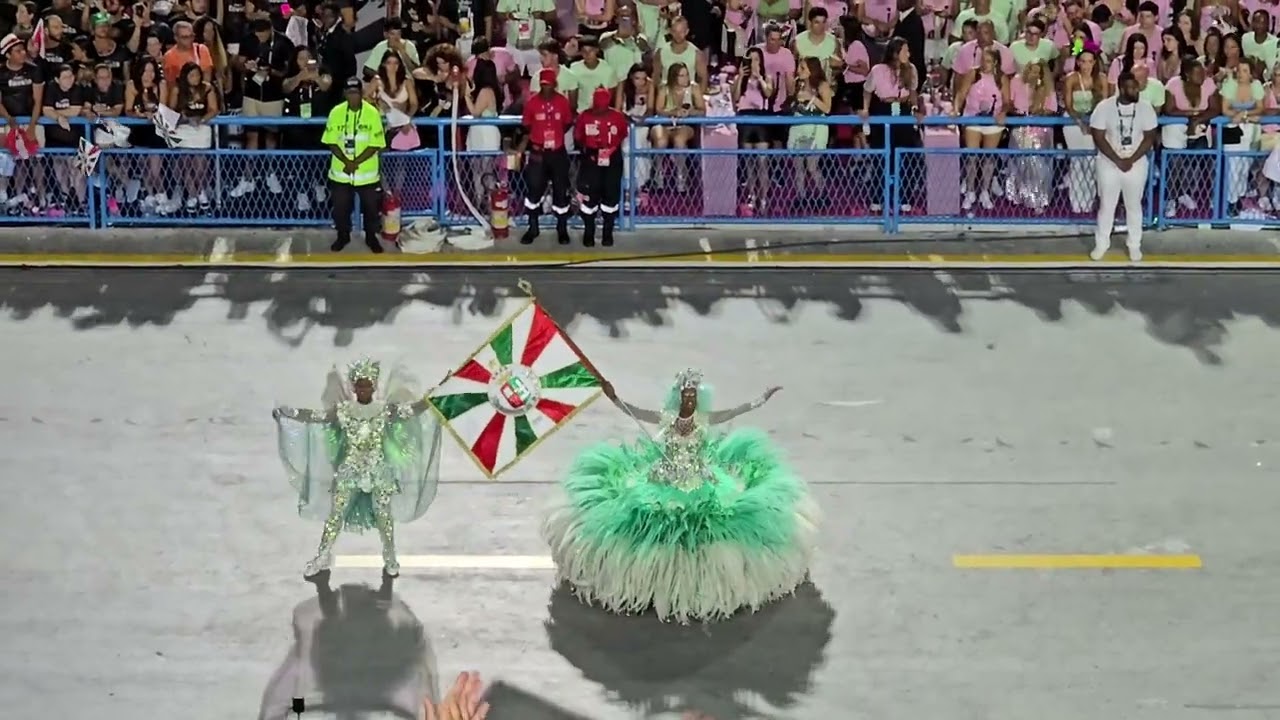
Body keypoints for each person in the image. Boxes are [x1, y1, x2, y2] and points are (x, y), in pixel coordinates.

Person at [541, 368, 820, 624]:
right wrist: (613, 396)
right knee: (653, 520)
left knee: (710, 521)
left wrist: (761, 400)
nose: (689, 400)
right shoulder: (667, 419)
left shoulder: (703, 420)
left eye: (693, 396)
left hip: (700, 480)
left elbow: (735, 412)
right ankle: (653, 579)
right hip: (664, 479)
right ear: (679, 397)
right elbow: (634, 412)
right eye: (686, 395)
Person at [273, 358, 445, 579]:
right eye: (360, 385)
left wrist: (436, 394)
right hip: (349, 471)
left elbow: (413, 411)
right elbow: (317, 417)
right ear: (354, 388)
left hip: (379, 472)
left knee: (384, 517)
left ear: (374, 386)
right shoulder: (344, 411)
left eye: (367, 385)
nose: (364, 389)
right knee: (335, 516)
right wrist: (291, 414)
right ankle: (322, 556)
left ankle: (390, 557)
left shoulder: (385, 410)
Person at [1089, 70, 1159, 262]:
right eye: (1131, 87)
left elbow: (1150, 137)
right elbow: (1098, 136)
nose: (1136, 90)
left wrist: (1131, 159)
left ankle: (1134, 245)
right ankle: (1101, 244)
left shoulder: (1145, 108)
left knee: (1134, 205)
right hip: (1109, 163)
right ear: (1121, 89)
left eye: (1136, 87)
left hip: (1135, 163)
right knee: (1107, 205)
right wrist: (1117, 159)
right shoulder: (1104, 107)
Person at [322, 76, 387, 253]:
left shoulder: (372, 113)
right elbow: (331, 141)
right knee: (341, 208)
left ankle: (371, 237)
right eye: (350, 93)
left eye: (356, 93)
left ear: (361, 93)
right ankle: (343, 236)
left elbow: (376, 144)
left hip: (366, 173)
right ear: (344, 94)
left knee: (371, 209)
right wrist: (346, 162)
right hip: (341, 173)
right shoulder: (336, 112)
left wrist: (355, 162)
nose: (353, 97)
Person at [514, 67, 574, 245]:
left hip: (557, 153)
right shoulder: (532, 103)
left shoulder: (562, 102)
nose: (546, 88)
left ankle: (562, 229)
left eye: (549, 85)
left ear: (555, 84)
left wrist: (555, 136)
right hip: (538, 153)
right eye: (543, 85)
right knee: (533, 191)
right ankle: (533, 228)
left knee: (560, 192)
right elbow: (526, 126)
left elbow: (567, 123)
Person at [573, 86, 627, 247]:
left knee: (611, 197)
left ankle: (607, 233)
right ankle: (588, 232)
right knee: (589, 197)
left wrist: (609, 149)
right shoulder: (584, 116)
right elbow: (579, 137)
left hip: (612, 160)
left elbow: (623, 134)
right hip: (591, 159)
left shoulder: (617, 117)